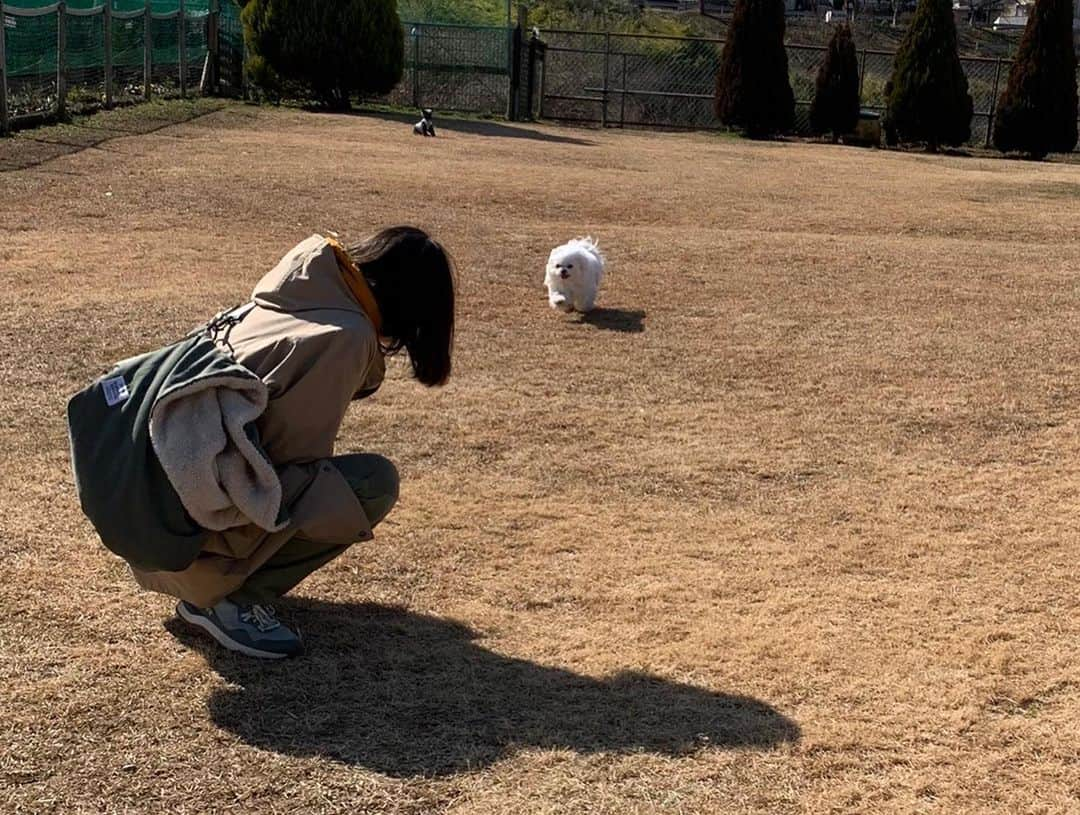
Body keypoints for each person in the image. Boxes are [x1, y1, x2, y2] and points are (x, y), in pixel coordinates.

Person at [137, 228, 455, 659]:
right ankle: (226, 600)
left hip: (145, 515)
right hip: (184, 539)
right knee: (373, 483)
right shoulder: (347, 334)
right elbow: (286, 463)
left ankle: (214, 584)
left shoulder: (298, 291)